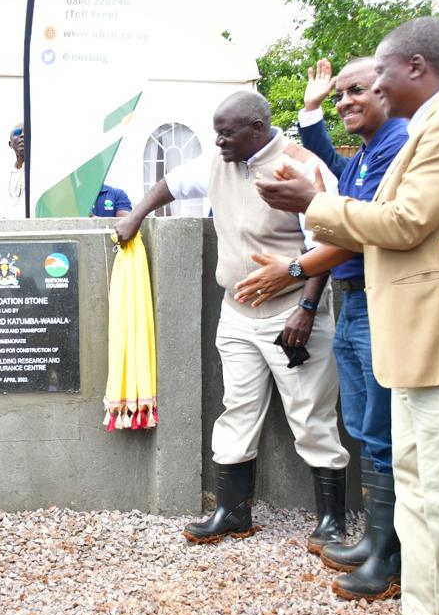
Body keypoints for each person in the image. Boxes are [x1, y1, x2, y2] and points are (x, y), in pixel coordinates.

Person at [256, 17, 439, 615]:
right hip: (419, 336)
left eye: (379, 72)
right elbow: (386, 219)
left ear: (414, 67)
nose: (372, 86)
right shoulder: (430, 127)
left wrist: (312, 204)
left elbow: (405, 222)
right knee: (420, 484)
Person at [115, 91, 350, 554]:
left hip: (290, 311)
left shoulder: (300, 167)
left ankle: (331, 521)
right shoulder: (218, 162)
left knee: (309, 413)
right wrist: (136, 216)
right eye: (215, 131)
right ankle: (233, 511)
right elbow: (173, 183)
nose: (217, 140)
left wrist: (305, 311)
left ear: (257, 130)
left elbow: (327, 243)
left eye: (227, 132)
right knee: (238, 406)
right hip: (238, 311)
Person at [233, 57, 409, 602]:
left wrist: (292, 270)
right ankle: (380, 541)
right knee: (364, 425)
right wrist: (311, 110)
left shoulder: (397, 144)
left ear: (388, 89)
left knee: (381, 430)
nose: (346, 101)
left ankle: (390, 554)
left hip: (377, 300)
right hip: (353, 300)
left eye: (358, 91)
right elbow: (334, 175)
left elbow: (360, 226)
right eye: (341, 94)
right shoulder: (367, 152)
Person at [5, 122, 25, 219]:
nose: (22, 135)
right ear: (10, 144)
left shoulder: (39, 170)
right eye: (17, 132)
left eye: (27, 132)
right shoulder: (5, 176)